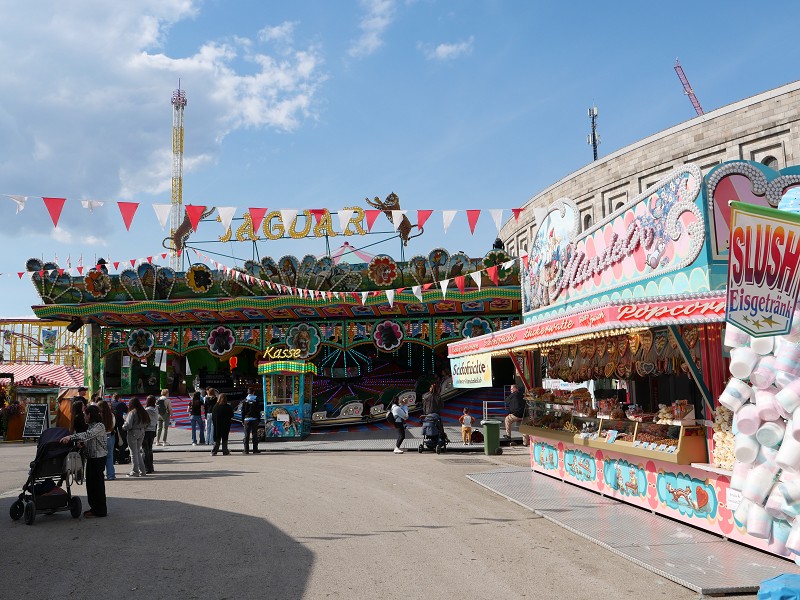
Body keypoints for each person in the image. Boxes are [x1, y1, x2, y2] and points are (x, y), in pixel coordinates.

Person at [59, 404, 107, 518]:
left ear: (89, 415)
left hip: (98, 458)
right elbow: (90, 439)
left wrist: (70, 437)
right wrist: (82, 444)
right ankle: (94, 508)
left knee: (97, 485)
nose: (84, 417)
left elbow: (88, 435)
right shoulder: (91, 426)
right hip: (91, 458)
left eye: (85, 415)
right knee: (91, 485)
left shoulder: (99, 426)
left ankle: (100, 510)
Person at [123, 397, 149, 477]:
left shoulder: (132, 412)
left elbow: (128, 425)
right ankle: (142, 470)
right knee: (137, 452)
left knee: (133, 453)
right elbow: (148, 422)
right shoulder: (143, 411)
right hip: (142, 431)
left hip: (133, 432)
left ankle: (135, 471)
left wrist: (123, 426)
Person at [96, 400, 116, 481]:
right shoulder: (111, 415)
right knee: (110, 457)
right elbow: (113, 425)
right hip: (109, 436)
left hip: (100, 437)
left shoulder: (97, 416)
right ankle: (111, 475)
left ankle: (100, 475)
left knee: (100, 457)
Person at [241, 389, 261, 454]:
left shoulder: (244, 401)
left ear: (248, 392)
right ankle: (255, 449)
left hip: (246, 419)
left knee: (246, 435)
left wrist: (242, 420)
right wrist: (259, 419)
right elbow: (258, 411)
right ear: (253, 392)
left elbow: (243, 412)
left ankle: (246, 450)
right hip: (254, 419)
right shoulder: (256, 400)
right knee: (254, 434)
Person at [110, 393, 128, 462]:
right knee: (122, 442)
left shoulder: (111, 404)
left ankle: (114, 458)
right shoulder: (121, 404)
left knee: (114, 442)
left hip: (112, 425)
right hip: (120, 424)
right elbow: (127, 411)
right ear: (119, 398)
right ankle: (122, 458)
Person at [143, 395, 158, 474]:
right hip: (153, 430)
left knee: (145, 450)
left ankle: (146, 467)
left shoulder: (146, 410)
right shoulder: (156, 409)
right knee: (150, 449)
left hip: (146, 430)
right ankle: (151, 466)